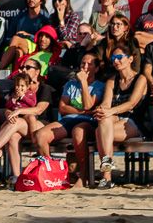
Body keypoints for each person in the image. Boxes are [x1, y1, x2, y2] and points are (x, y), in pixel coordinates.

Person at [32, 52, 106, 186]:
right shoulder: (71, 84)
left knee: (78, 132)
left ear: (96, 68)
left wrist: (83, 82)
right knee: (40, 135)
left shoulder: (99, 86)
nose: (85, 66)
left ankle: (83, 176)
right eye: (83, 63)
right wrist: (84, 110)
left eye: (89, 64)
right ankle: (51, 172)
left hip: (88, 122)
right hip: (68, 120)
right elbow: (62, 108)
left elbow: (89, 104)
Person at [0, 68, 49, 179]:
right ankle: (17, 177)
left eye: (28, 67)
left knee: (17, 122)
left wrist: (18, 110)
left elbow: (37, 109)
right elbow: (8, 107)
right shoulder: (13, 93)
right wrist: (9, 113)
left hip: (37, 125)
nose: (23, 69)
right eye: (18, 85)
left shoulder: (42, 89)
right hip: (18, 124)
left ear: (37, 72)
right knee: (12, 136)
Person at [91, 50, 150, 189]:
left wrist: (109, 111)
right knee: (103, 124)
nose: (115, 61)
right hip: (115, 119)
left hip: (135, 121)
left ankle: (106, 176)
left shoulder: (140, 78)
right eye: (113, 58)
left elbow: (132, 104)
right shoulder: (112, 80)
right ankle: (107, 166)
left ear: (130, 59)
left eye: (119, 57)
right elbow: (106, 103)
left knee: (100, 132)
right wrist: (103, 110)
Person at [0, 0, 51, 70]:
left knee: (17, 39)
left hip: (37, 46)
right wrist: (16, 39)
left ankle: (0, 68)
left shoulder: (45, 18)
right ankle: (15, 77)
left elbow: (46, 40)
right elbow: (8, 37)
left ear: (41, 0)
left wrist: (28, 36)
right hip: (16, 46)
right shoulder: (19, 16)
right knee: (18, 52)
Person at [47, 0, 81, 65]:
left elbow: (68, 37)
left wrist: (61, 20)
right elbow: (50, 37)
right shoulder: (51, 17)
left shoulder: (74, 16)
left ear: (66, 2)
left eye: (60, 0)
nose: (57, 2)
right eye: (55, 0)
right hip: (55, 48)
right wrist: (62, 42)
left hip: (69, 51)